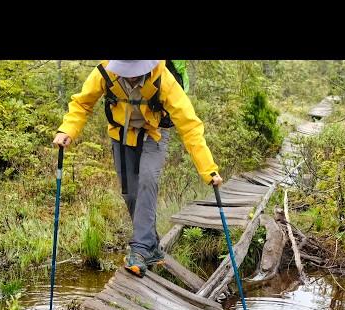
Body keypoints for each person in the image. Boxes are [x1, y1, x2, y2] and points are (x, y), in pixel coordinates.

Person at [53, 60, 223, 278]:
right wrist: (67, 129)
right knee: (130, 193)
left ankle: (140, 250)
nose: (131, 76)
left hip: (154, 134)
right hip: (120, 135)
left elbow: (189, 126)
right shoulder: (105, 72)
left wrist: (208, 170)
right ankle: (151, 246)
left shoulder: (164, 79)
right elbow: (82, 103)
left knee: (147, 181)